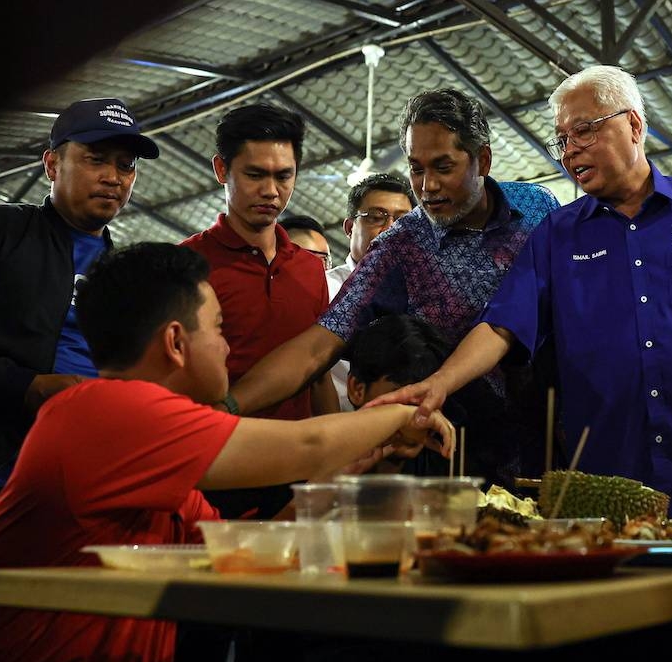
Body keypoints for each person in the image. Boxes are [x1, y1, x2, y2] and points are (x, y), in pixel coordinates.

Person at [0, 243, 453, 662]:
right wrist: (407, 412)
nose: (228, 347)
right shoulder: (106, 411)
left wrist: (329, 488)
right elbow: (308, 445)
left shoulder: (152, 449)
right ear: (176, 342)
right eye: (219, 328)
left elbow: (233, 556)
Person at [378, 66, 672, 527]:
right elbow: (502, 325)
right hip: (608, 491)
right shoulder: (557, 234)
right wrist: (440, 383)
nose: (570, 151)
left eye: (583, 132)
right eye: (562, 139)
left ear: (633, 125)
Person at [227, 89, 560, 487]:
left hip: (562, 441)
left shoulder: (539, 208)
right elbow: (318, 346)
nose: (428, 186)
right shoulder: (401, 247)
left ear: (482, 160)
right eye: (416, 169)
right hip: (456, 461)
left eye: (443, 167)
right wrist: (227, 406)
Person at [0, 97, 159, 494]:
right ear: (52, 164)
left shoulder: (125, 276)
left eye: (126, 165)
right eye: (96, 159)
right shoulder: (1, 232)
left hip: (83, 475)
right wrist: (27, 385)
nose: (113, 177)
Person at [181, 104, 331, 519]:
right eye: (255, 175)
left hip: (296, 467)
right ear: (221, 170)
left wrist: (334, 460)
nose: (271, 191)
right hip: (219, 467)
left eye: (283, 176)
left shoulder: (308, 268)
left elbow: (318, 373)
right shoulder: (186, 265)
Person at [326, 173, 415, 412]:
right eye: (376, 217)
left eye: (402, 221)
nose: (389, 229)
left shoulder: (424, 293)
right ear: (349, 227)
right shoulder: (325, 289)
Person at [346, 315, 452, 477]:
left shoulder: (448, 480)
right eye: (399, 401)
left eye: (426, 401)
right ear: (357, 389)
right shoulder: (313, 469)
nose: (415, 419)